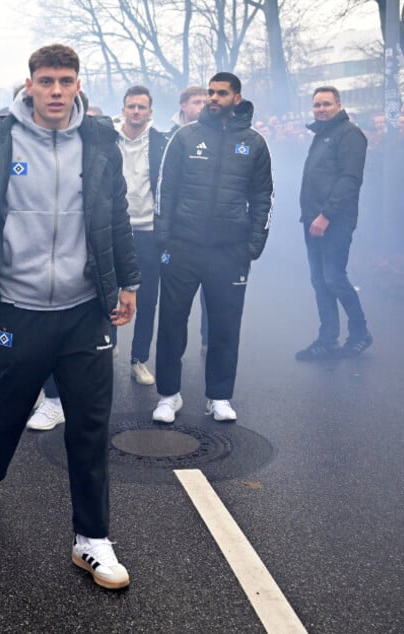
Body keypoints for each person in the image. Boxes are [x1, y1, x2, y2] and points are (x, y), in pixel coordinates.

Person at [0, 44, 140, 590]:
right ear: (29, 84)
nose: (56, 90)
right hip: (19, 304)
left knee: (88, 423)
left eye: (66, 80)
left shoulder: (101, 141)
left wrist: (127, 282)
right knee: (9, 406)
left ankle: (92, 539)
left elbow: (118, 216)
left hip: (86, 308)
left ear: (78, 84)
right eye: (46, 80)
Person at [152, 72, 273, 424]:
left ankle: (218, 397)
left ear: (237, 98)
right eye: (210, 92)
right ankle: (168, 396)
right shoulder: (185, 137)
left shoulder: (253, 142)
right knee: (173, 323)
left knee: (225, 326)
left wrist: (253, 243)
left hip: (229, 252)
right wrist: (165, 238)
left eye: (222, 93)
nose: (213, 98)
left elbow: (263, 195)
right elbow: (165, 189)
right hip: (183, 247)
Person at [295, 86, 372, 361]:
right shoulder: (322, 134)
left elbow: (350, 179)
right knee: (320, 280)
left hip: (334, 220)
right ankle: (327, 339)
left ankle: (360, 332)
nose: (321, 109)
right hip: (313, 220)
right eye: (316, 105)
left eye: (326, 104)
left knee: (333, 277)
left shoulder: (349, 134)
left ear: (338, 105)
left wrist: (326, 215)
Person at [117, 85, 167, 386]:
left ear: (150, 112)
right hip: (113, 230)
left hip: (149, 231)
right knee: (105, 296)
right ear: (123, 109)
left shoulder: (162, 143)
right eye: (131, 106)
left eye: (141, 107)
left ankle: (139, 359)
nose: (136, 111)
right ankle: (104, 351)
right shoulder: (107, 140)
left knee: (147, 300)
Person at [166, 86, 210, 354]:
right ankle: (171, 355)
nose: (203, 106)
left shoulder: (219, 136)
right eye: (196, 101)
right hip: (177, 230)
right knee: (175, 299)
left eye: (206, 101)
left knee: (211, 293)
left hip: (207, 229)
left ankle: (208, 340)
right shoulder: (170, 137)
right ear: (183, 105)